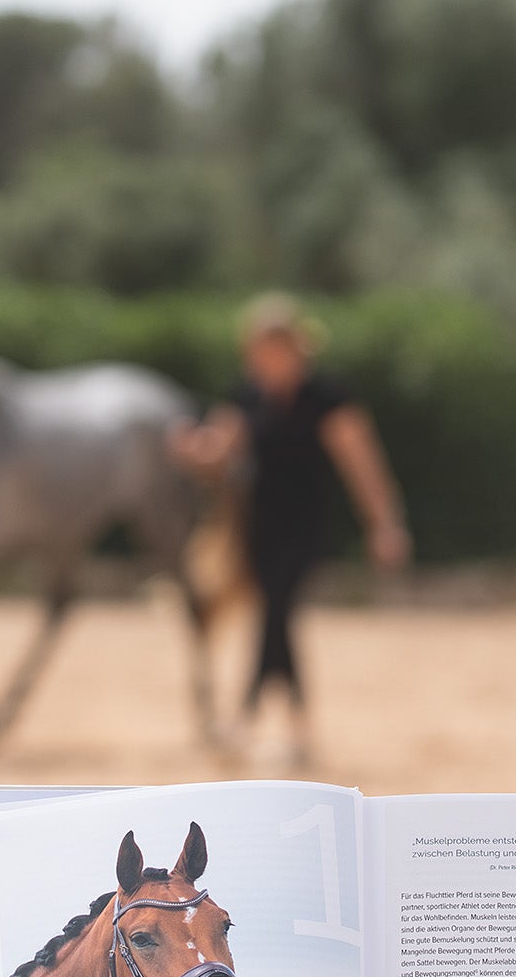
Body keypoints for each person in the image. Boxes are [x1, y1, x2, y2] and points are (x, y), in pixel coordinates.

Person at [172, 295, 410, 749]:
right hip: (258, 528)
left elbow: (362, 465)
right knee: (277, 616)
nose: (255, 360)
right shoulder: (247, 395)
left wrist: (385, 523)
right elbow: (217, 450)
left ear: (290, 348)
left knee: (276, 609)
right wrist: (189, 449)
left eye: (263, 350)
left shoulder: (329, 396)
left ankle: (247, 716)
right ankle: (299, 724)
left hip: (306, 527)